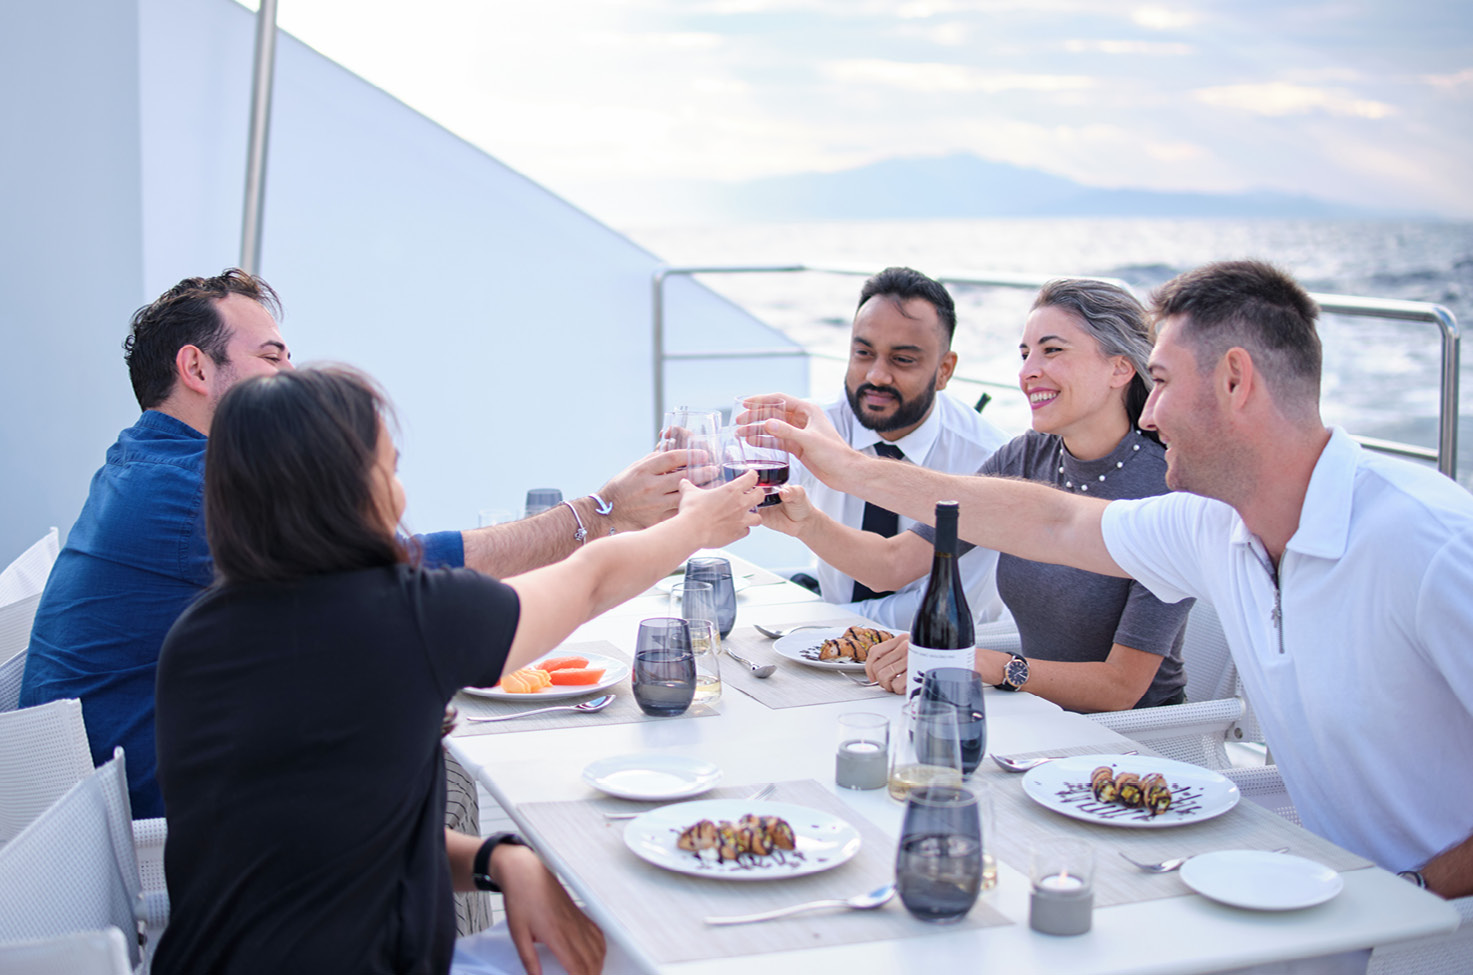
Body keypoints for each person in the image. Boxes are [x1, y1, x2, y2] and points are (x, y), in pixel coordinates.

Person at [760, 260, 1473, 898]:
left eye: (1158, 381)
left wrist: (1413, 890)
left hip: (1420, 916)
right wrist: (846, 469)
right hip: (1317, 884)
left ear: (1234, 381)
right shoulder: (1208, 525)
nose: (1152, 412)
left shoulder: (1427, 541)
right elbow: (1054, 523)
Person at [20, 269, 698, 819]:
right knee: (451, 771)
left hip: (166, 783)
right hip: (161, 818)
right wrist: (600, 512)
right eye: (273, 358)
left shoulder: (151, 469)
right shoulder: (184, 492)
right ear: (196, 367)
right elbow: (396, 572)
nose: (291, 381)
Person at [150, 366, 761, 975]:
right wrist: (695, 527)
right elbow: (590, 582)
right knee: (646, 948)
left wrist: (498, 858)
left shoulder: (195, 637)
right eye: (388, 471)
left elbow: (328, 841)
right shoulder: (401, 617)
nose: (400, 495)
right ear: (346, 492)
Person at [765, 279, 1192, 711]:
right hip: (1029, 711)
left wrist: (983, 664)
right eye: (1025, 354)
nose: (1028, 372)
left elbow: (1120, 688)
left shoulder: (1165, 489)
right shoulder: (1024, 459)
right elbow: (892, 566)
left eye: (1052, 350)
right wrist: (808, 525)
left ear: (1120, 369)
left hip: (1136, 741)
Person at [790, 266, 1008, 629]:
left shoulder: (988, 460)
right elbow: (752, 472)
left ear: (944, 370)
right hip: (823, 644)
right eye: (863, 353)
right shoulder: (818, 425)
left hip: (952, 658)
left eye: (902, 359)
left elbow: (947, 612)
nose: (876, 375)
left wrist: (816, 623)